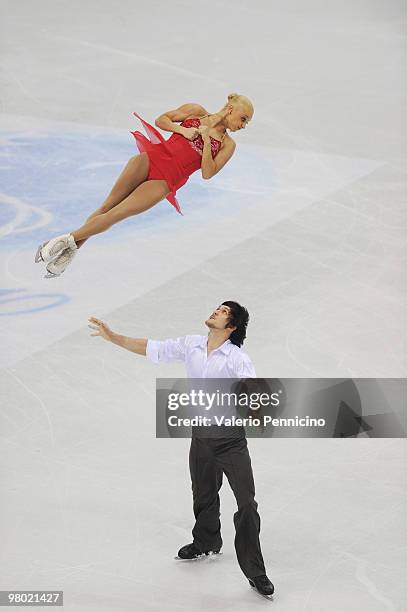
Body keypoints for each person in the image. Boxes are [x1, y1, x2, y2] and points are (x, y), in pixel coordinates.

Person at [88, 301, 274, 599]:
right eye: (218, 307)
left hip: (230, 440)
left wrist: (257, 407)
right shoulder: (192, 345)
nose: (216, 311)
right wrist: (114, 337)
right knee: (202, 494)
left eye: (224, 311)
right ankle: (206, 542)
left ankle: (255, 572)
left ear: (232, 326)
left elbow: (253, 384)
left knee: (247, 504)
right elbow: (154, 349)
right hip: (201, 435)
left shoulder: (236, 358)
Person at [35, 93, 254, 278]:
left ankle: (65, 241)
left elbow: (208, 173)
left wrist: (206, 143)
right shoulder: (196, 111)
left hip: (166, 180)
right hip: (150, 159)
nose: (243, 126)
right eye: (243, 119)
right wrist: (183, 131)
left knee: (115, 215)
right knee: (107, 207)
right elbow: (162, 120)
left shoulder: (227, 144)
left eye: (246, 122)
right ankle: (69, 250)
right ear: (230, 109)